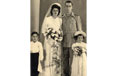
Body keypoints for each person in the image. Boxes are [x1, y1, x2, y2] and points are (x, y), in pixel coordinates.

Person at [62, 0, 83, 76]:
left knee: (73, 60)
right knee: (65, 61)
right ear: (65, 7)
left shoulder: (76, 17)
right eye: (67, 6)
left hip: (74, 43)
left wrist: (78, 43)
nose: (68, 8)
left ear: (72, 7)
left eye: (69, 6)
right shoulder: (62, 18)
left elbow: (80, 31)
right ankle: (65, 74)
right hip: (64, 42)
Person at [41, 3, 62, 76]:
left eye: (57, 11)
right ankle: (48, 73)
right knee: (49, 57)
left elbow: (61, 31)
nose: (55, 12)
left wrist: (59, 37)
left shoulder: (60, 20)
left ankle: (55, 73)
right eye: (54, 10)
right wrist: (49, 37)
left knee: (56, 57)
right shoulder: (47, 19)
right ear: (51, 11)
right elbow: (43, 30)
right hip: (48, 42)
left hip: (57, 42)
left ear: (59, 11)